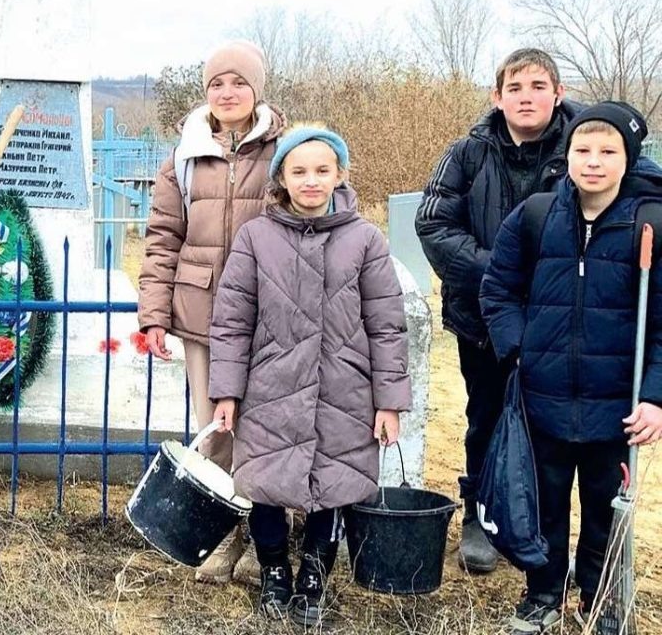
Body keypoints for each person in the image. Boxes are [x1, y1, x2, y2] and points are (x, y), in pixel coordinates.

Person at [209, 125, 412, 625]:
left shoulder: (365, 239)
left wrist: (389, 401)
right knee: (266, 482)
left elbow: (386, 325)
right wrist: (228, 392)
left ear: (340, 174)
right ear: (282, 178)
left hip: (344, 388)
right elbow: (233, 320)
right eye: (299, 171)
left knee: (333, 483)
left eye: (323, 170)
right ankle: (275, 571)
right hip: (271, 386)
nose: (311, 181)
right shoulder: (256, 237)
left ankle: (314, 576)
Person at [481, 101, 662, 633]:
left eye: (608, 151)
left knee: (606, 508)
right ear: (569, 154)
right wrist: (520, 349)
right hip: (543, 400)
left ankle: (599, 598)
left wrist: (654, 397)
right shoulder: (537, 216)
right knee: (545, 504)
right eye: (584, 149)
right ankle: (543, 593)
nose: (594, 161)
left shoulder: (650, 223)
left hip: (617, 406)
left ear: (628, 159)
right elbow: (498, 289)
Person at [415, 48, 582, 572]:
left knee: (553, 425)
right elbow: (433, 224)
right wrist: (499, 273)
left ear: (558, 93)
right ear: (497, 97)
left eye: (538, 86)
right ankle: (481, 516)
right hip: (481, 318)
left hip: (561, 319)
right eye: (515, 88)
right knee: (485, 416)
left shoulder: (585, 147)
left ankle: (543, 526)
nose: (526, 97)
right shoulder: (468, 153)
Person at [138, 39, 285, 585]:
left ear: (257, 90)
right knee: (215, 428)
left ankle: (266, 542)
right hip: (202, 314)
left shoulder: (283, 150)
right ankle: (224, 536)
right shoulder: (184, 155)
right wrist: (155, 314)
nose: (227, 92)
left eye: (239, 82)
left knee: (265, 429)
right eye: (217, 84)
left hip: (266, 317)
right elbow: (162, 238)